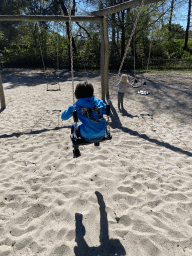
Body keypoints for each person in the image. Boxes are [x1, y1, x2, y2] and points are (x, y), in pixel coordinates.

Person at [61, 82, 108, 158]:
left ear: (77, 94)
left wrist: (70, 108)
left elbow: (63, 117)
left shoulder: (76, 106)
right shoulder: (100, 102)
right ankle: (96, 143)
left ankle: (76, 149)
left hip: (86, 136)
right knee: (96, 123)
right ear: (92, 92)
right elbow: (106, 111)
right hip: (102, 134)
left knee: (74, 125)